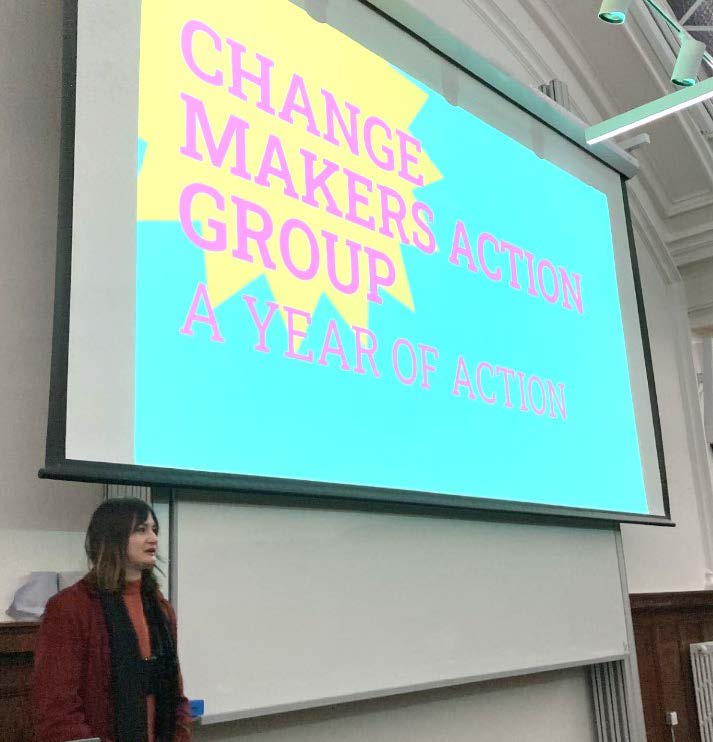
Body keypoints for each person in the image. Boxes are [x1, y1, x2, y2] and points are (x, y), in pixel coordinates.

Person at [33, 497, 192, 742]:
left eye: (154, 529)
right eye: (141, 530)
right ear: (112, 537)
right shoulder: (69, 608)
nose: (153, 538)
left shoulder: (160, 608)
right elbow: (58, 711)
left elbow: (176, 697)